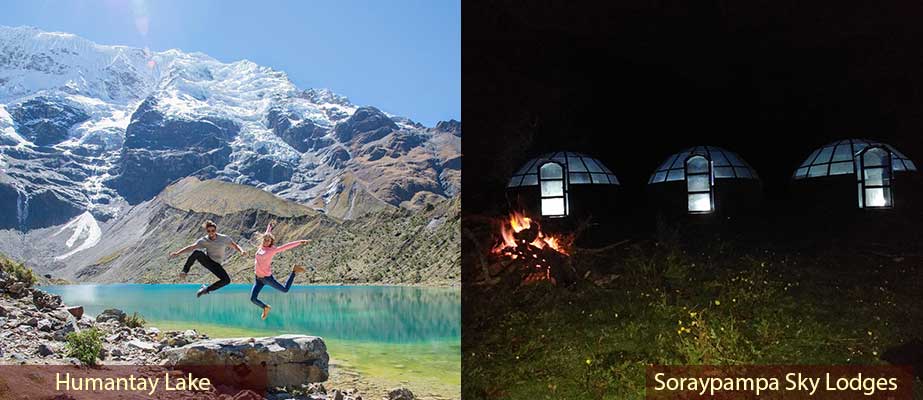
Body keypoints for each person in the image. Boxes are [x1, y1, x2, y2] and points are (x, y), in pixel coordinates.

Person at [169, 220, 246, 297]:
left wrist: (242, 251)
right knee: (197, 252)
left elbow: (235, 245)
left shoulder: (224, 238)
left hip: (216, 265)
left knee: (226, 280)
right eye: (209, 231)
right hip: (208, 261)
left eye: (213, 230)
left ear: (216, 230)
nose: (211, 232)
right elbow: (191, 247)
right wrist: (177, 253)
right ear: (207, 231)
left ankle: (206, 290)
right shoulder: (204, 240)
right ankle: (185, 271)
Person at [250, 221, 310, 320]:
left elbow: (286, 246)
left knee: (285, 290)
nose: (266, 241)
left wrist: (300, 242)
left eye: (268, 240)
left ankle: (294, 271)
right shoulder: (261, 247)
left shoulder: (272, 250)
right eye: (265, 240)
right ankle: (265, 307)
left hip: (267, 278)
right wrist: (269, 226)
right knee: (253, 299)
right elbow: (267, 233)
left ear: (271, 242)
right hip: (258, 279)